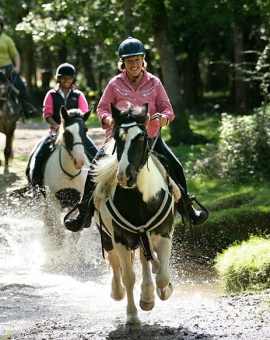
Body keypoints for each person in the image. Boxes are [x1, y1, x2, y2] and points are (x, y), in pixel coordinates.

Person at [64, 36, 208, 232]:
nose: (134, 64)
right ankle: (83, 212)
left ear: (143, 60)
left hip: (148, 139)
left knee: (177, 167)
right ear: (122, 63)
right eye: (129, 60)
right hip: (120, 141)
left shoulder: (155, 83)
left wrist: (164, 118)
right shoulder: (114, 83)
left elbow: (168, 109)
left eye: (137, 59)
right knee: (94, 169)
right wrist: (109, 120)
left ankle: (187, 208)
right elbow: (102, 109)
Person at [26, 62, 98, 192]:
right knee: (39, 154)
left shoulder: (79, 95)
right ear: (59, 78)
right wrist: (57, 126)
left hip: (76, 133)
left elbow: (83, 112)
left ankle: (99, 185)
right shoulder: (51, 94)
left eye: (69, 78)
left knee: (96, 154)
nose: (67, 81)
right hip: (56, 132)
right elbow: (47, 114)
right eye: (64, 78)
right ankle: (35, 186)